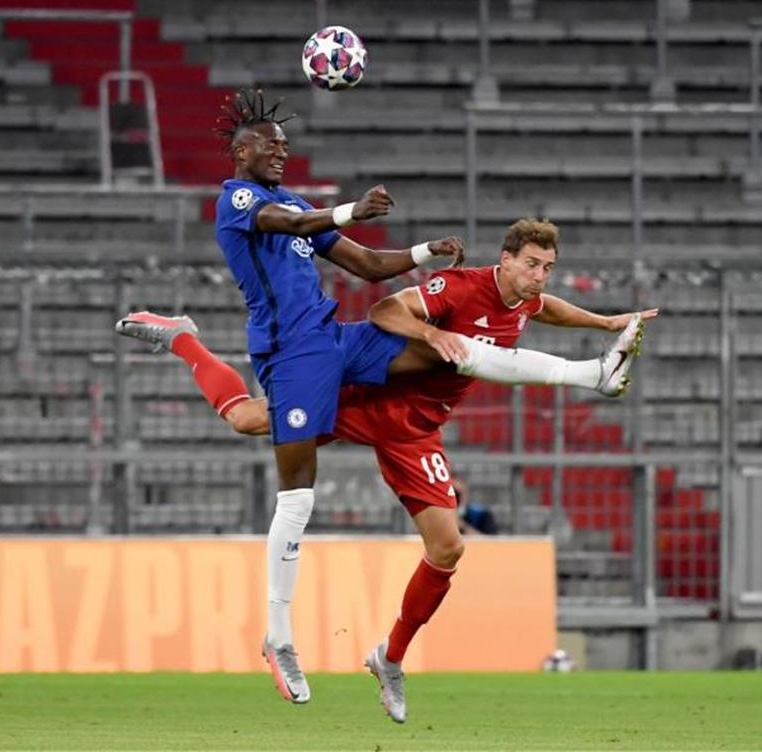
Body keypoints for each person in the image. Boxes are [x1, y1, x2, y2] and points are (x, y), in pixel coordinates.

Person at [118, 216, 659, 722]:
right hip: (369, 392)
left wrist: (604, 320)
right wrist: (432, 335)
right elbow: (384, 311)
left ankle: (389, 657)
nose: (539, 276)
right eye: (532, 264)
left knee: (448, 547)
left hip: (415, 428)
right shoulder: (463, 286)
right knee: (246, 420)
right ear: (506, 259)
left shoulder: (526, 299)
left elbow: (546, 310)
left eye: (548, 267)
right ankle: (183, 337)